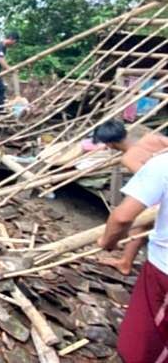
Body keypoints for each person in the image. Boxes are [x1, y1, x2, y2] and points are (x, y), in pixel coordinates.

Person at [97, 153, 168, 362]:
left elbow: (122, 217)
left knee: (145, 347)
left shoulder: (162, 163)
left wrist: (107, 242)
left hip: (163, 270)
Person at [93, 119, 168, 275]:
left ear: (110, 144)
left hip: (162, 195)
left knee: (139, 224)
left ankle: (126, 263)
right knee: (142, 226)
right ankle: (126, 262)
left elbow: (149, 183)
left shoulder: (129, 158)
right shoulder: (151, 137)